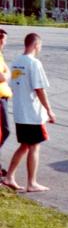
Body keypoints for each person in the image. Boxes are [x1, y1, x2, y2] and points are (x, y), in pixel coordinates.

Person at [0, 33, 56, 192]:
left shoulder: (16, 62)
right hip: (32, 113)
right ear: (36, 45)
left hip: (19, 111)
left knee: (25, 145)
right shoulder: (34, 63)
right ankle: (32, 182)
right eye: (40, 46)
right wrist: (49, 110)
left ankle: (9, 176)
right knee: (34, 147)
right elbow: (39, 89)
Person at [0, 29, 12, 175]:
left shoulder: (1, 55)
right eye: (5, 40)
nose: (5, 43)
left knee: (4, 132)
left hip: (4, 98)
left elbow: (8, 73)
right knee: (4, 132)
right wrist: (6, 75)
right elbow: (3, 77)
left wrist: (6, 74)